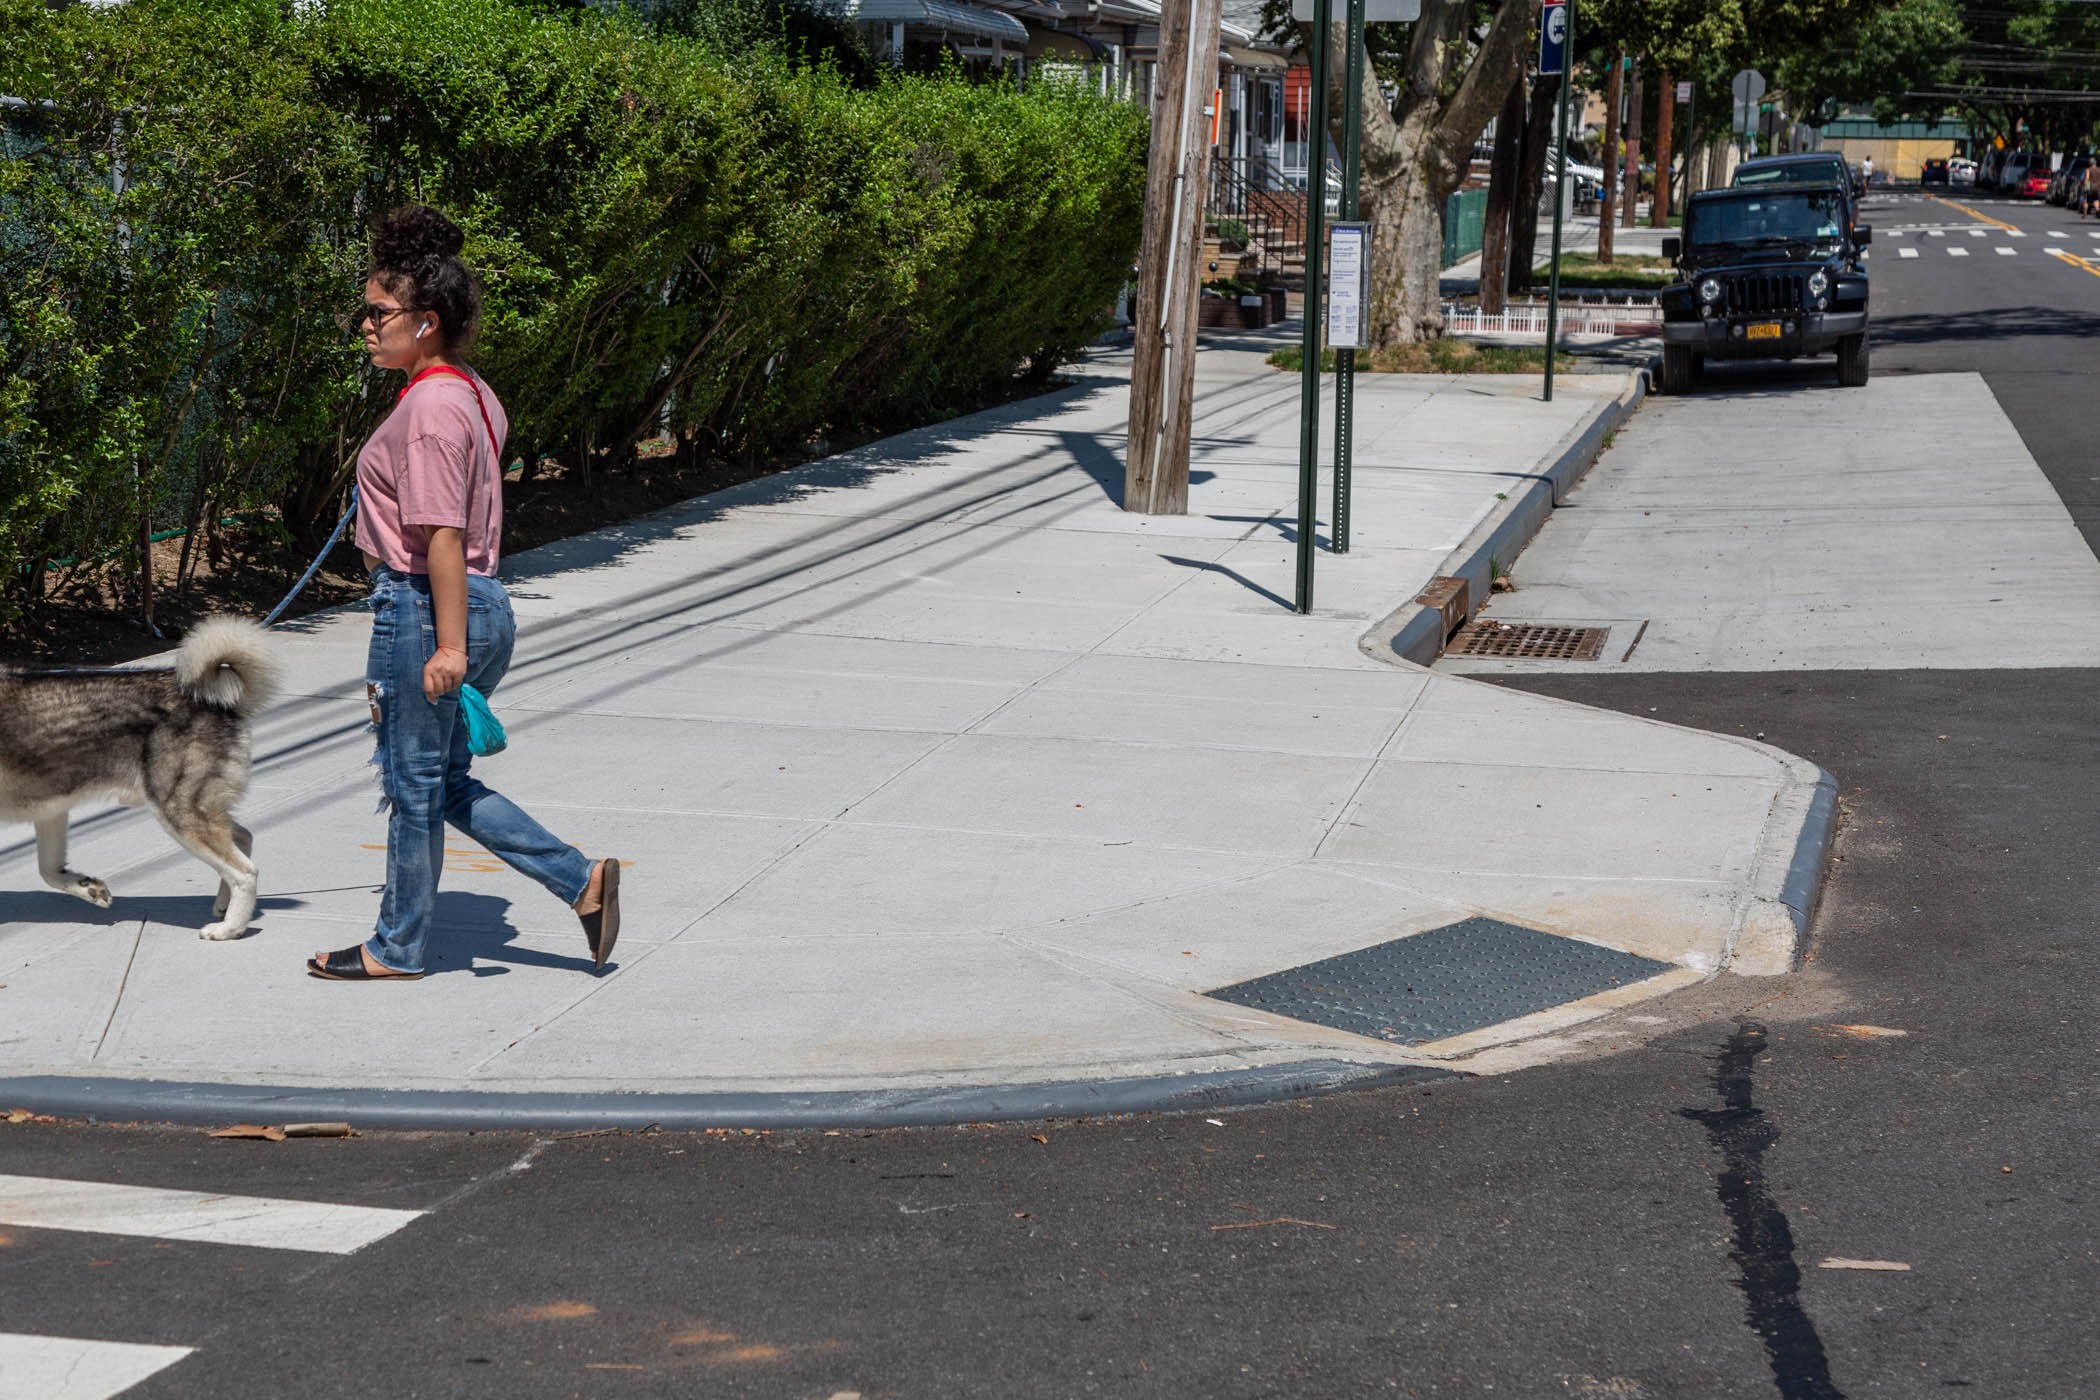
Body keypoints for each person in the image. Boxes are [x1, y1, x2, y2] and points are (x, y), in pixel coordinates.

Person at [308, 207, 622, 982]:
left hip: (425, 608)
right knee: (442, 781)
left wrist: (446, 646)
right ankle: (579, 880)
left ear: (427, 322)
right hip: (478, 603)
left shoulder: (430, 409)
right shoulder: (472, 393)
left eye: (378, 313)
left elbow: (441, 532)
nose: (366, 326)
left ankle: (397, 947)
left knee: (414, 785)